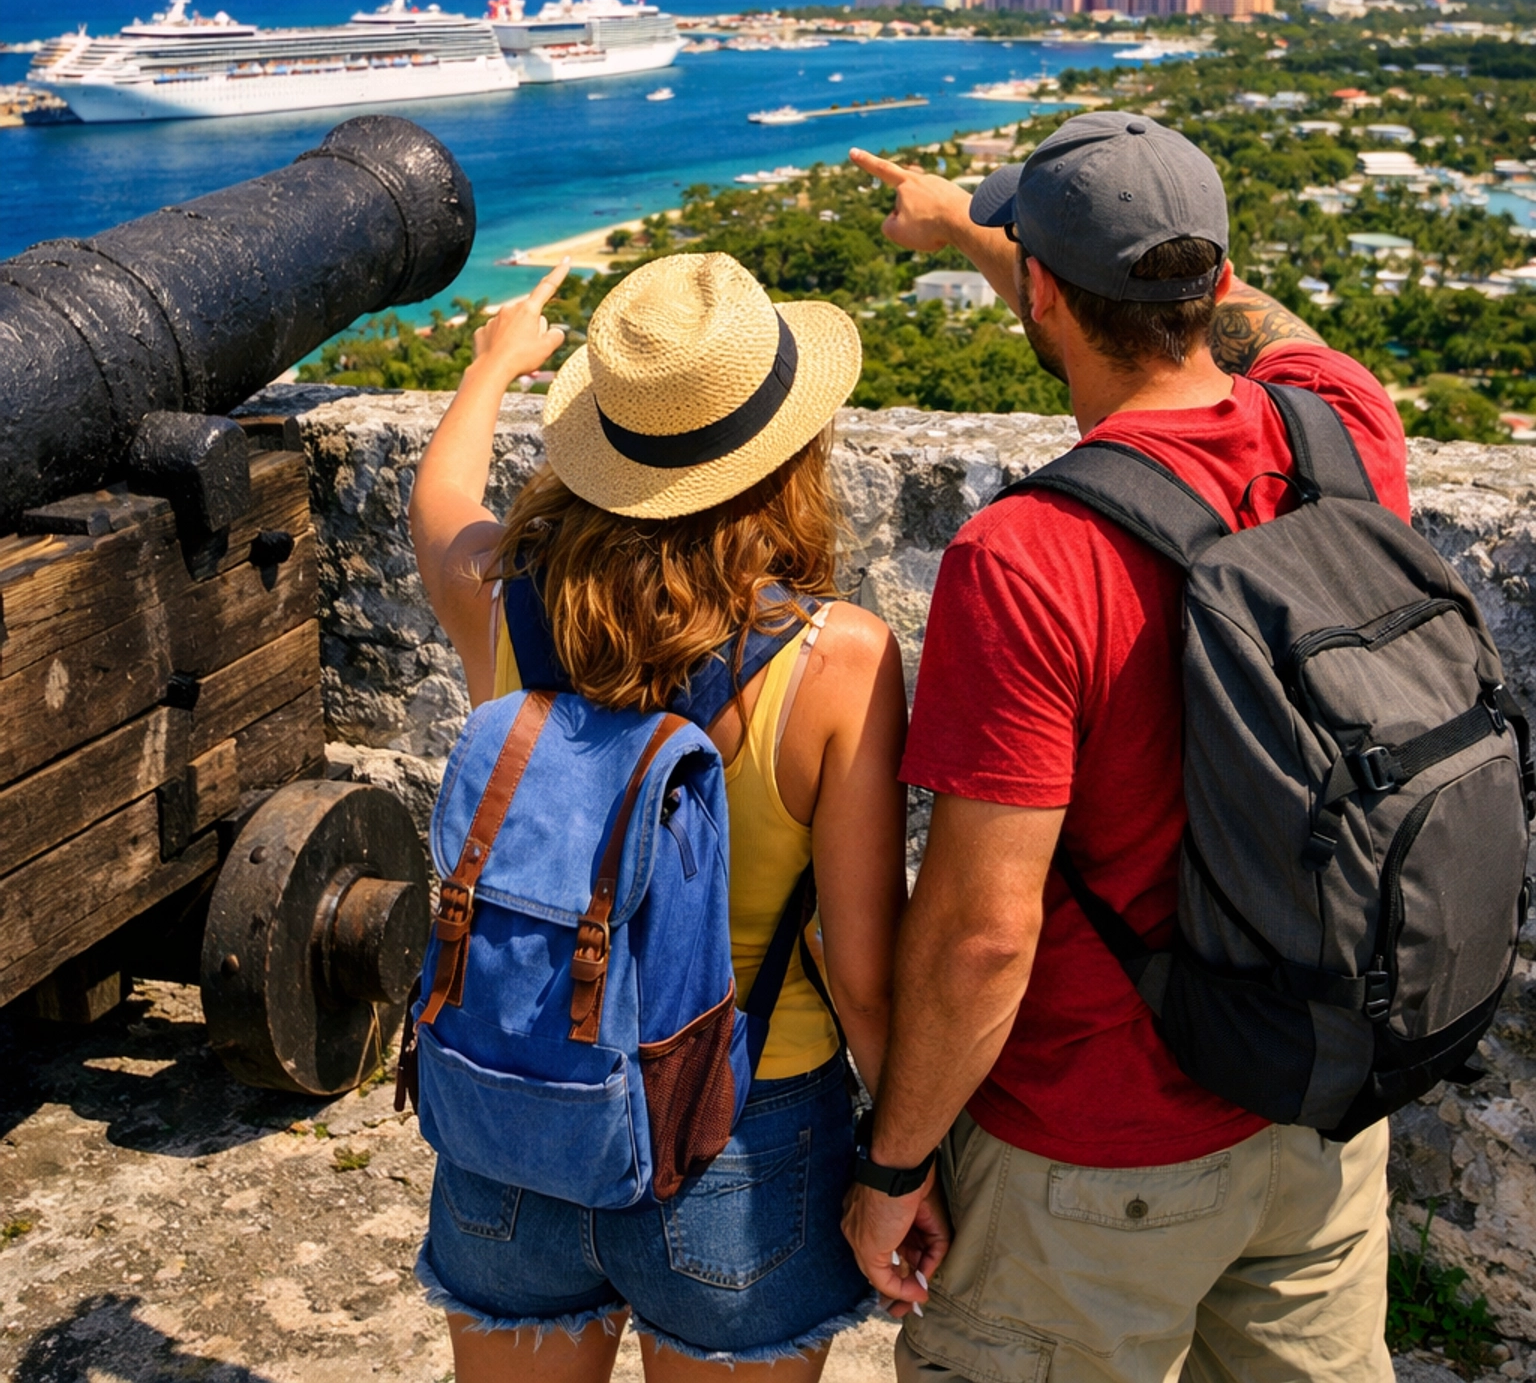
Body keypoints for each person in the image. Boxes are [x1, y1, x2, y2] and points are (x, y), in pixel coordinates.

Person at [841, 115, 1409, 1383]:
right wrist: (997, 237)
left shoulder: (1027, 557)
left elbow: (985, 934)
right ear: (1209, 276)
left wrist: (896, 1163)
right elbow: (1224, 318)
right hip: (1317, 1111)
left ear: (1040, 290)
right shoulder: (1343, 431)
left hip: (1097, 1157)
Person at [408, 249, 909, 1383]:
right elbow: (863, 974)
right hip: (739, 1129)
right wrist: (910, 1163)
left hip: (520, 1107)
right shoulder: (838, 665)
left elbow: (435, 504)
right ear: (787, 454)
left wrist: (493, 368)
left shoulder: (505, 599)